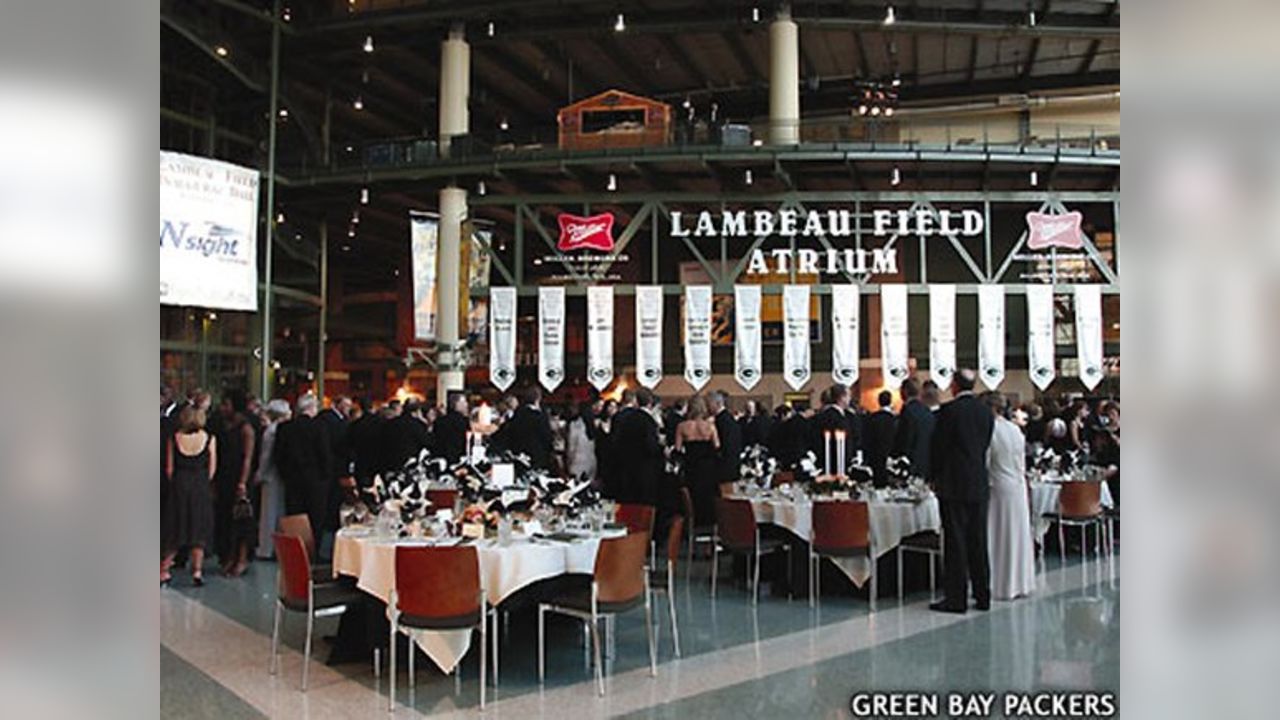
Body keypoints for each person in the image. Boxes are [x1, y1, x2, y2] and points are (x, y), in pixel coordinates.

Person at [929, 369, 995, 614]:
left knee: (956, 542)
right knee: (978, 539)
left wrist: (934, 476)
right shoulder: (985, 412)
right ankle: (982, 594)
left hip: (953, 483)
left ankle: (956, 598)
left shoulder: (949, 412)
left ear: (955, 385)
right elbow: (985, 444)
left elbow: (939, 447)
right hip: (978, 482)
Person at [983, 392, 1035, 601]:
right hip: (1017, 485)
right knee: (1017, 534)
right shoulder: (1015, 429)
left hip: (998, 486)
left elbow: (986, 461)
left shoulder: (991, 430)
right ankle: (1020, 581)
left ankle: (1000, 583)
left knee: (999, 534)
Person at [162, 405, 217, 587]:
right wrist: (202, 481)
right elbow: (212, 469)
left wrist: (177, 480)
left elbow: (169, 469)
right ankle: (197, 571)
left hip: (180, 484)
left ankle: (164, 570)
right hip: (200, 486)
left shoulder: (175, 437)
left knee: (176, 527)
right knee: (198, 528)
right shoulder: (209, 439)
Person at [273, 393, 334, 554]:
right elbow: (324, 454)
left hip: (293, 480)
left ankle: (296, 552)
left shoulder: (285, 428)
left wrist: (285, 475)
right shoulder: (320, 427)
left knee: (294, 516)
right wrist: (326, 477)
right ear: (312, 408)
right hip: (316, 481)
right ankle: (313, 551)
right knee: (316, 519)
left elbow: (278, 456)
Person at [213, 391, 257, 577]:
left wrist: (243, 482)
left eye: (226, 404)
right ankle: (228, 556)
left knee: (241, 521)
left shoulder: (246, 428)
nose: (223, 408)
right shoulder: (223, 426)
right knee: (226, 520)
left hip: (239, 478)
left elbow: (248, 457)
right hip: (225, 477)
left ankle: (242, 558)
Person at [609, 388, 665, 507]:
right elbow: (651, 446)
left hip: (626, 468)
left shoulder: (626, 418)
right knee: (645, 505)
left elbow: (616, 442)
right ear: (650, 402)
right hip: (645, 469)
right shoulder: (648, 420)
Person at [676, 395, 721, 526]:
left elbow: (678, 451)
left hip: (691, 467)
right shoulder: (710, 426)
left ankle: (693, 523)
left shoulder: (682, 426)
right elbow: (717, 448)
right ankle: (709, 524)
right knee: (708, 497)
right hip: (708, 468)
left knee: (692, 497)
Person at [255, 399, 291, 560]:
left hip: (270, 475)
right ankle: (273, 547)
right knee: (276, 511)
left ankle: (266, 547)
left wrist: (260, 473)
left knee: (269, 512)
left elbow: (265, 456)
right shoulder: (277, 431)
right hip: (275, 474)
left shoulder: (270, 431)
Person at [493, 386, 554, 470]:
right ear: (538, 399)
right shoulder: (540, 417)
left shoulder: (518, 415)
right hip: (538, 458)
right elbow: (547, 438)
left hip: (519, 457)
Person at [810, 384, 860, 473]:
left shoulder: (824, 415)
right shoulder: (835, 417)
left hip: (828, 460)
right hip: (836, 462)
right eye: (848, 396)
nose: (850, 399)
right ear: (842, 397)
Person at [893, 378, 936, 478]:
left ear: (905, 391)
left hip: (910, 464)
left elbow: (905, 439)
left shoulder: (908, 411)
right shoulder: (927, 412)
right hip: (927, 464)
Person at [709, 390, 743, 494]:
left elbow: (721, 445)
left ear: (718, 404)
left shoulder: (721, 421)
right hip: (733, 465)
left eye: (710, 403)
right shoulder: (729, 418)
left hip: (723, 468)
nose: (708, 407)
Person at [863, 389, 898, 486]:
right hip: (891, 457)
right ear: (890, 401)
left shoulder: (872, 418)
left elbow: (867, 439)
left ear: (879, 401)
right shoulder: (895, 420)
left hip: (875, 457)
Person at [433, 392, 470, 465]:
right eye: (464, 402)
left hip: (441, 458)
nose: (466, 405)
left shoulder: (439, 421)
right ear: (457, 404)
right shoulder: (463, 421)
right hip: (458, 458)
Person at [565, 401, 597, 483]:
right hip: (591, 461)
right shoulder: (592, 426)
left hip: (577, 461)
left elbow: (571, 447)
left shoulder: (574, 425)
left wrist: (568, 462)